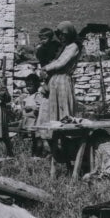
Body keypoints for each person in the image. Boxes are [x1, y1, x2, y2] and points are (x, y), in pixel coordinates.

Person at [40, 21, 83, 166]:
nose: (62, 38)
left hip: (63, 81)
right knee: (54, 116)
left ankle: (68, 151)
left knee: (64, 114)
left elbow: (61, 63)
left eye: (64, 35)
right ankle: (57, 153)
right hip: (55, 82)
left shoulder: (73, 47)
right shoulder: (63, 48)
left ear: (70, 34)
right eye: (59, 35)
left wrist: (46, 68)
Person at [21, 73, 47, 157]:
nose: (28, 88)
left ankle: (38, 154)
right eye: (27, 86)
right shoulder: (28, 96)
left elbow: (40, 107)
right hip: (30, 121)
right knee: (33, 138)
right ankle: (34, 154)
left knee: (38, 138)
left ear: (36, 85)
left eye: (30, 86)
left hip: (36, 121)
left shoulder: (37, 95)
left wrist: (32, 107)